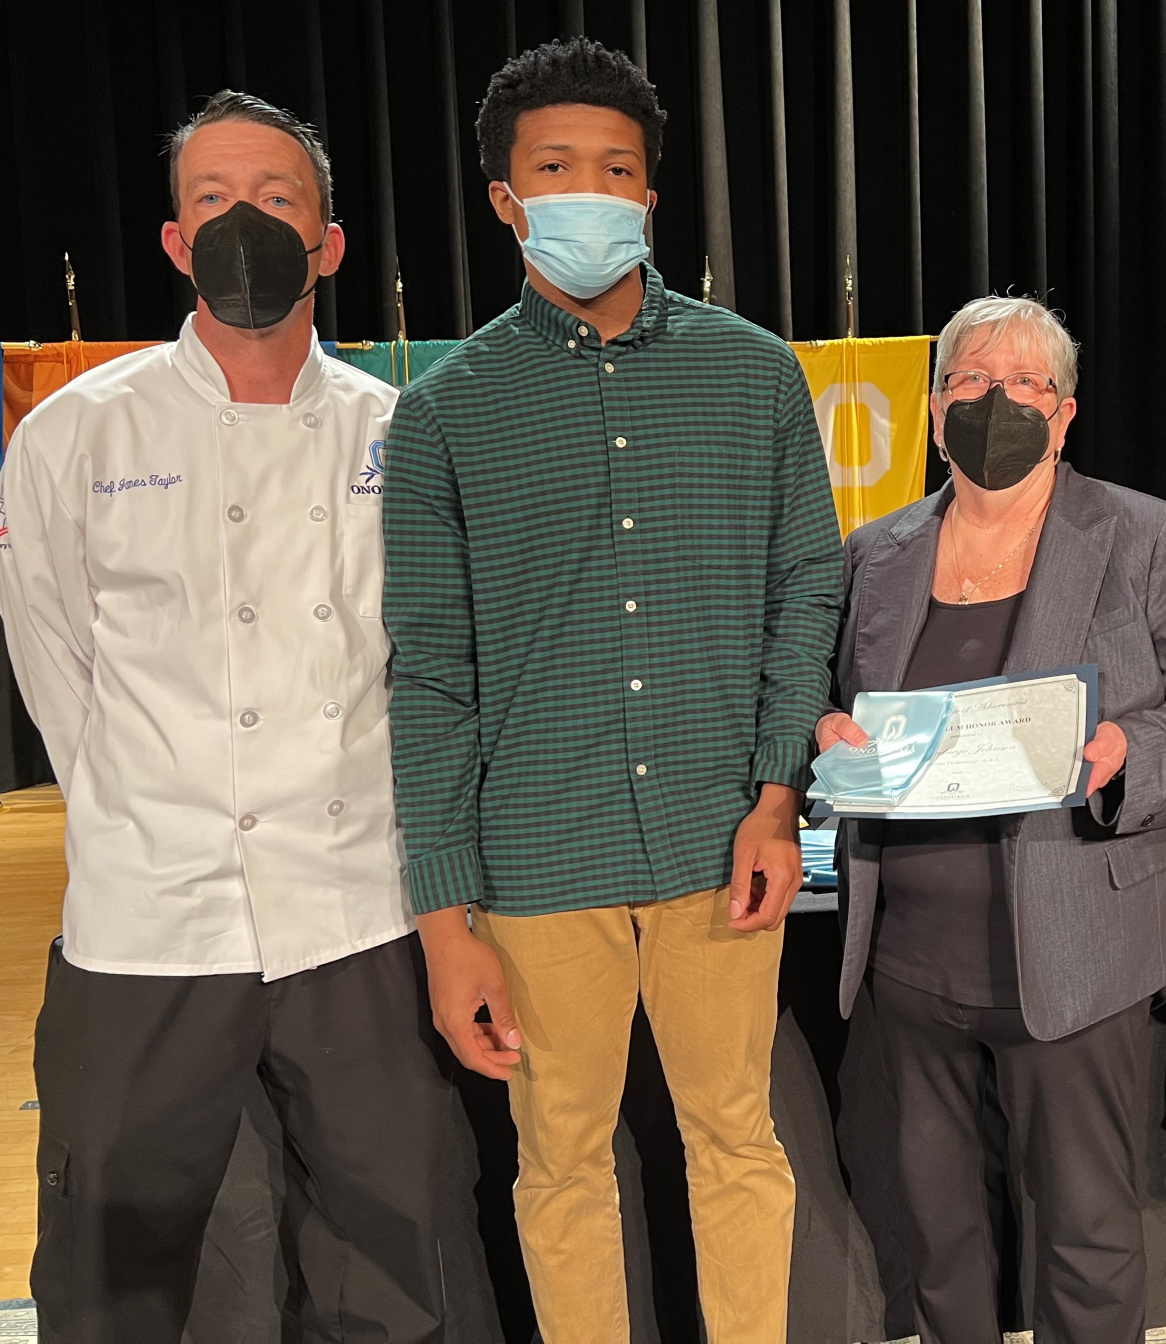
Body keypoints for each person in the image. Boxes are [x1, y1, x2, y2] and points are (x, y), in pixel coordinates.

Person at [0, 92, 494, 1343]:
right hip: (147, 924)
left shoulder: (405, 433)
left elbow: (431, 670)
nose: (245, 226)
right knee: (116, 1266)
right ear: (173, 242)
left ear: (328, 243)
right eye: (214, 201)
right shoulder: (73, 435)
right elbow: (54, 663)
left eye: (277, 202)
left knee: (390, 1254)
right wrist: (146, 810)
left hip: (357, 912)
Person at [379, 38, 843, 1344]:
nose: (592, 190)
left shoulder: (756, 377)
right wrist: (444, 915)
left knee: (737, 1142)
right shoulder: (443, 415)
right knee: (562, 1166)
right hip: (534, 862)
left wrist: (773, 800)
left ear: (651, 194)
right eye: (556, 167)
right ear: (505, 198)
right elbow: (430, 674)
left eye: (619, 168)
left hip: (719, 843)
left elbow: (803, 594)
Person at [817, 296, 1166, 1341]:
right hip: (907, 961)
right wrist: (828, 728)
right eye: (972, 381)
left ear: (1065, 417)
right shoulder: (873, 553)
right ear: (934, 411)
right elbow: (825, 698)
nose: (998, 402)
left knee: (1085, 1228)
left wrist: (1129, 752)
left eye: (1028, 386)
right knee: (929, 1226)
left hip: (1081, 951)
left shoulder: (1145, 536)